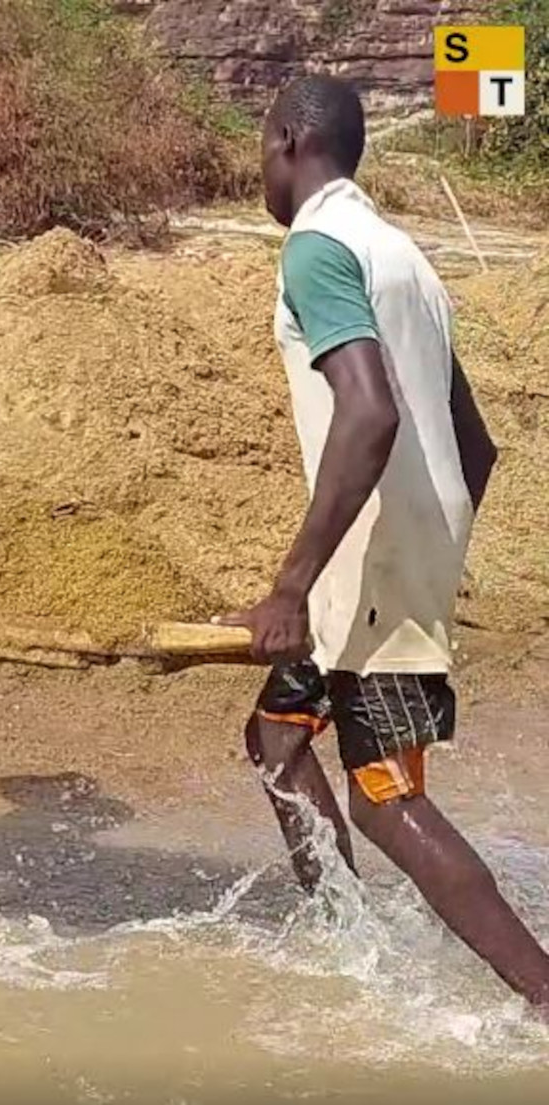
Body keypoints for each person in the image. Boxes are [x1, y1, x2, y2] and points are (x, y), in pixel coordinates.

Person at [219, 74, 549, 1011]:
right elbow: (474, 443)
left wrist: (290, 587)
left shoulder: (317, 247)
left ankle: (543, 994)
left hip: (368, 565)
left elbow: (367, 413)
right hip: (395, 552)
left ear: (288, 139)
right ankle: (345, 938)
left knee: (385, 796)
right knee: (277, 738)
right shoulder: (403, 254)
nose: (260, 167)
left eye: (260, 146)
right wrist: (430, 540)